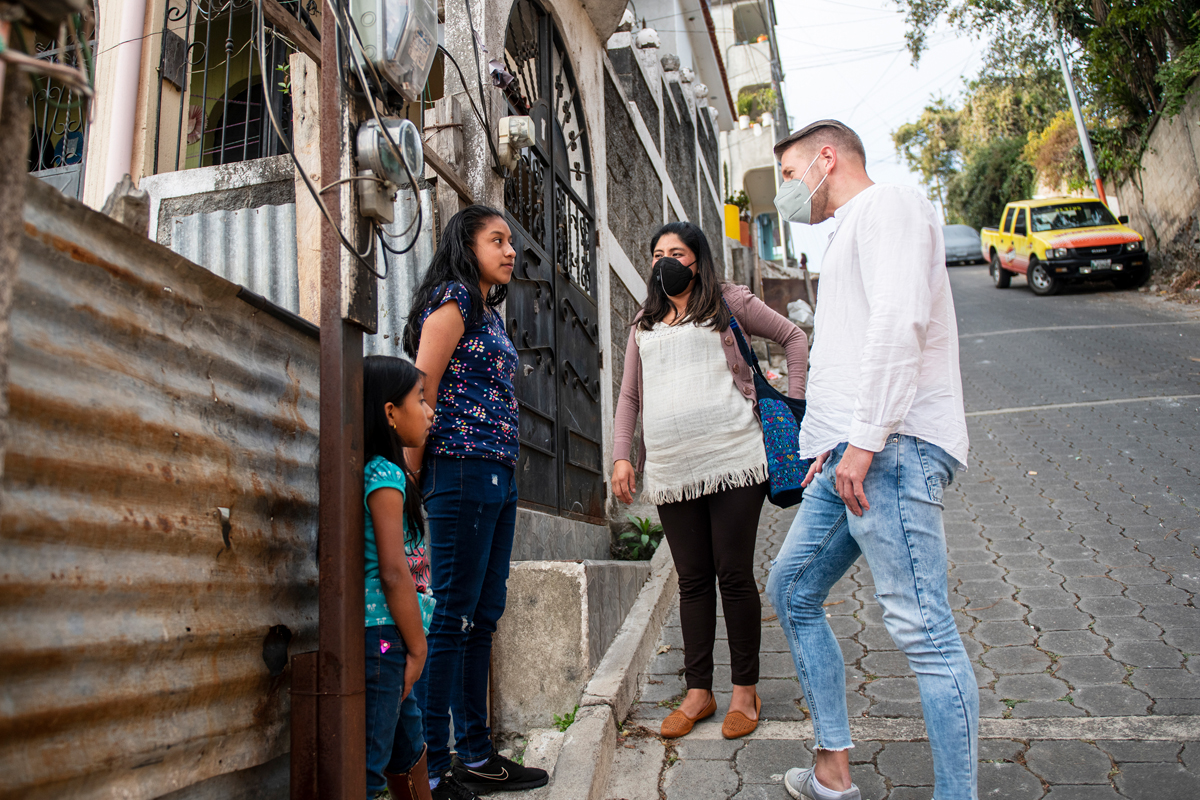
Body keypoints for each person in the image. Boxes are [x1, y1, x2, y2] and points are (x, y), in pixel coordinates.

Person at [763, 120, 977, 800]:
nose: (788, 194)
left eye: (791, 176)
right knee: (792, 589)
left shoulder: (892, 206)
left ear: (828, 158)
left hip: (890, 448)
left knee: (923, 629)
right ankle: (832, 773)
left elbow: (897, 321)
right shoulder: (848, 229)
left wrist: (862, 442)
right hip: (848, 456)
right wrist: (831, 446)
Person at [611, 221, 808, 741]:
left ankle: (746, 690)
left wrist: (797, 402)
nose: (664, 262)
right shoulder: (643, 322)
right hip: (674, 470)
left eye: (676, 252)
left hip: (734, 459)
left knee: (733, 575)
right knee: (693, 580)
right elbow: (630, 396)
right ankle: (699, 691)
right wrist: (621, 457)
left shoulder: (725, 302)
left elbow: (793, 336)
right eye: (656, 254)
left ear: (698, 259)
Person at [402, 206, 549, 798]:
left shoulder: (486, 312)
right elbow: (422, 389)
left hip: (496, 473)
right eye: (497, 239)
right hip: (458, 468)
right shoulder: (454, 300)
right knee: (451, 615)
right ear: (466, 244)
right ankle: (435, 769)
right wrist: (411, 476)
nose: (510, 250)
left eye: (511, 241)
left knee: (482, 615)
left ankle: (478, 755)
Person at [361, 355, 436, 800]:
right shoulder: (384, 474)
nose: (429, 411)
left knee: (409, 746)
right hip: (384, 642)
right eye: (420, 400)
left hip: (390, 642)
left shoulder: (389, 472)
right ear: (390, 412)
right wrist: (419, 647)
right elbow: (392, 572)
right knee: (370, 765)